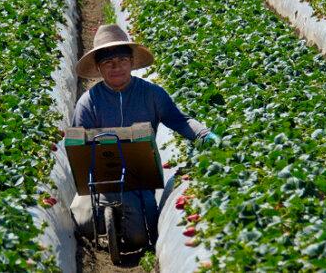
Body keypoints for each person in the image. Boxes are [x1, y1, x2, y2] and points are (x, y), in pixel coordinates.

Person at [70, 24, 217, 250]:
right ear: (99, 68)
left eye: (121, 60)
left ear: (131, 62)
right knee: (85, 222)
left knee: (140, 237)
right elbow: (78, 145)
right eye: (108, 63)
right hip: (101, 181)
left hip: (140, 178)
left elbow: (179, 120)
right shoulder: (89, 102)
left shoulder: (151, 94)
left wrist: (204, 135)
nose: (116, 67)